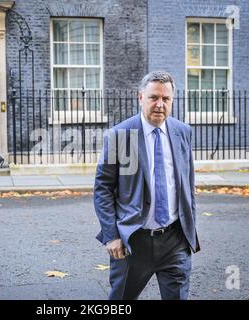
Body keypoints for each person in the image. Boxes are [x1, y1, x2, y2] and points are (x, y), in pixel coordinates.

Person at [93, 71, 200, 300]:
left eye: (166, 99)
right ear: (140, 97)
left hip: (175, 240)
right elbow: (103, 188)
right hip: (134, 240)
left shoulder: (183, 132)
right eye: (154, 98)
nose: (160, 104)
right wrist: (112, 235)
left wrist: (189, 227)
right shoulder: (122, 135)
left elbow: (187, 183)